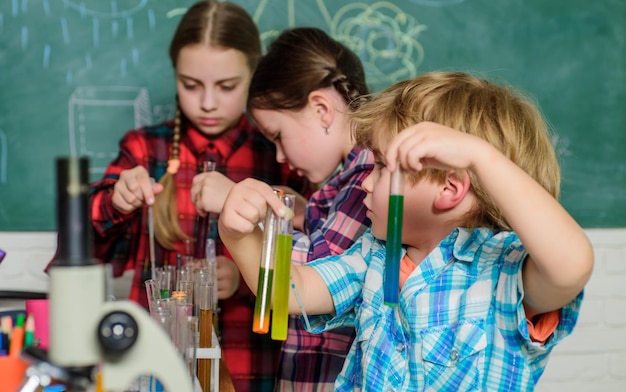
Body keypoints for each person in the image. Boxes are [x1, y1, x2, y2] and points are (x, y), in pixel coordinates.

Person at [217, 71, 594, 391]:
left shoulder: (505, 272)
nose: (365, 184)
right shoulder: (375, 256)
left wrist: (481, 158)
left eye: (381, 167)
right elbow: (286, 295)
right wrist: (240, 236)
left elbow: (572, 266)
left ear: (450, 188)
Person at [87, 2, 311, 390]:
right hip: (157, 367)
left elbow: (318, 247)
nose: (207, 102)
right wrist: (116, 201)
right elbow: (83, 246)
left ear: (253, 76)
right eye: (191, 85)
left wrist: (246, 276)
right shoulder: (144, 149)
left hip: (251, 369)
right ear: (174, 73)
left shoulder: (279, 153)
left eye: (227, 87)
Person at [246, 27, 374, 391]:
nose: (281, 157)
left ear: (321, 109)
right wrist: (304, 213)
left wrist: (239, 206)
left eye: (278, 136)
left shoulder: (366, 177)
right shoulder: (342, 183)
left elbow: (312, 273)